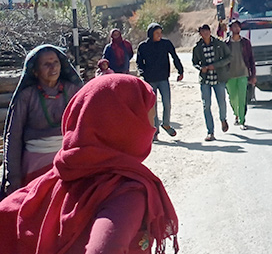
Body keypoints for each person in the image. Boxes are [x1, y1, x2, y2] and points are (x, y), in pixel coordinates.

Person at [0, 74, 180, 253]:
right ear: (124, 125)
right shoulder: (126, 192)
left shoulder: (52, 182)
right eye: (150, 119)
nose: (153, 128)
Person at [1, 45, 83, 196]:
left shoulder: (73, 91)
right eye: (46, 64)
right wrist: (13, 177)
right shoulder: (26, 97)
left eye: (56, 62)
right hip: (34, 167)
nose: (53, 67)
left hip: (68, 164)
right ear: (35, 71)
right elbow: (13, 137)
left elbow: (86, 127)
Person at [136, 23, 183, 139]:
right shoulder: (143, 46)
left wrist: (180, 71)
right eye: (157, 33)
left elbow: (174, 57)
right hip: (150, 80)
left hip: (163, 79)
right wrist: (143, 74)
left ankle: (166, 124)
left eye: (160, 32)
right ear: (151, 33)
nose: (159, 35)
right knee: (153, 106)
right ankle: (155, 130)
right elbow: (139, 63)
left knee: (167, 103)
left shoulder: (165, 44)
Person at [191, 24, 231, 141]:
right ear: (200, 34)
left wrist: (216, 66)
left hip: (219, 78)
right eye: (203, 32)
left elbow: (229, 57)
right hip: (205, 80)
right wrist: (200, 68)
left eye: (207, 31)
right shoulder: (198, 47)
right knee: (206, 106)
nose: (205, 33)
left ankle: (223, 119)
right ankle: (210, 132)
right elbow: (194, 62)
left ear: (210, 31)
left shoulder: (219, 44)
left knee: (221, 102)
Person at [222, 19, 256, 130]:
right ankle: (236, 114)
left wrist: (253, 75)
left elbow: (251, 59)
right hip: (230, 75)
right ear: (230, 29)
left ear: (240, 28)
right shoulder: (226, 44)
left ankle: (242, 120)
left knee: (242, 98)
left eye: (237, 27)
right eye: (233, 27)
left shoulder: (245, 42)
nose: (236, 29)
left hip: (243, 73)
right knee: (233, 98)